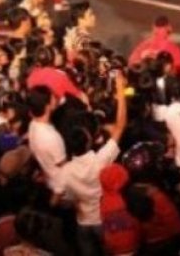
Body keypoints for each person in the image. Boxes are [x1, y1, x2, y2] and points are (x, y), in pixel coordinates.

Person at [51, 71, 127, 256]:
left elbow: (54, 201)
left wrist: (73, 201)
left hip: (82, 223)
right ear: (88, 141)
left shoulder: (65, 171)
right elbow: (121, 125)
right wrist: (121, 90)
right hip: (104, 220)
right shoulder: (100, 160)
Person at [26, 85, 66, 190]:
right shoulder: (52, 137)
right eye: (52, 97)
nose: (55, 97)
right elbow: (63, 165)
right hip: (61, 185)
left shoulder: (32, 125)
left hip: (49, 178)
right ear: (47, 106)